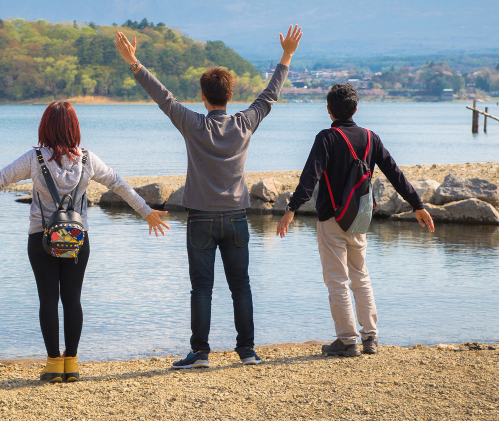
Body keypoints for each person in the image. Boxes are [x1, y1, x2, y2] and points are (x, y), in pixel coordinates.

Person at [113, 24, 303, 369]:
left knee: (201, 288)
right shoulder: (245, 123)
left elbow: (163, 97)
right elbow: (269, 95)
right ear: (230, 96)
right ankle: (247, 351)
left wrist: (134, 62)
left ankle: (200, 352)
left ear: (204, 97)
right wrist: (287, 55)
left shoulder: (193, 124)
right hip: (236, 218)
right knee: (241, 286)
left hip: (200, 217)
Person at [0, 101, 169, 383]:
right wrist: (147, 212)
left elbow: (0, 179)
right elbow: (118, 184)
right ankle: (72, 363)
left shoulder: (34, 158)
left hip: (41, 239)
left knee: (48, 300)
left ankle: (54, 364)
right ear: (74, 128)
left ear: (46, 126)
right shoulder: (88, 159)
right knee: (72, 299)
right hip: (78, 241)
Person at [276, 82, 435, 357]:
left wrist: (292, 208)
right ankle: (370, 338)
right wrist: (417, 204)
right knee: (361, 277)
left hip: (331, 218)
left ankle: (347, 340)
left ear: (329, 110)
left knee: (337, 280)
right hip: (360, 218)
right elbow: (395, 173)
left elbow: (310, 177)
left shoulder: (326, 138)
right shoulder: (371, 138)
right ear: (356, 108)